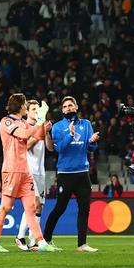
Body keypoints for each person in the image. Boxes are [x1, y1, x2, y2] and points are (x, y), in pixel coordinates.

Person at [0, 94, 57, 253]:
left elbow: (38, 136)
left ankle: (40, 243)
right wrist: (39, 120)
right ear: (20, 106)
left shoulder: (23, 123)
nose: (26, 107)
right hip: (11, 170)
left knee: (31, 209)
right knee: (5, 208)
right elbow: (24, 135)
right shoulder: (6, 121)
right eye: (25, 104)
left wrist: (42, 125)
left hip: (25, 171)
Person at [43, 96, 100, 252]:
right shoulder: (57, 127)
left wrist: (93, 141)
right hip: (65, 174)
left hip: (83, 174)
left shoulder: (86, 124)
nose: (68, 108)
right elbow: (59, 149)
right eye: (65, 106)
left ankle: (82, 244)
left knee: (84, 209)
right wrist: (70, 134)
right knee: (59, 208)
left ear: (76, 107)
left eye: (70, 105)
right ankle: (46, 239)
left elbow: (90, 148)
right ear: (62, 110)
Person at [16, 99, 53, 250]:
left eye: (38, 109)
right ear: (27, 112)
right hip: (29, 170)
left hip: (40, 171)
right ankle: (19, 237)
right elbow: (25, 147)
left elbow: (50, 148)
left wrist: (47, 132)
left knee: (40, 207)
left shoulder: (41, 127)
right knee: (33, 204)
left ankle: (32, 241)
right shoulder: (24, 127)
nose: (36, 112)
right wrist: (39, 130)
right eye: (33, 109)